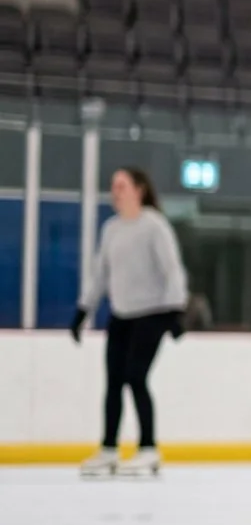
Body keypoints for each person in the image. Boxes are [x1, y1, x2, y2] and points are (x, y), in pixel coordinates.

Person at [72, 167, 189, 479]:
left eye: (121, 185)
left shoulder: (154, 225)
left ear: (139, 189)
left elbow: (172, 270)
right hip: (121, 314)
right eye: (113, 186)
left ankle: (148, 448)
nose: (115, 191)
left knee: (136, 377)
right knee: (113, 382)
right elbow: (100, 273)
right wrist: (84, 310)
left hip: (152, 313)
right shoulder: (111, 228)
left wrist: (175, 310)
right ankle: (109, 449)